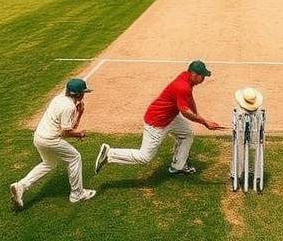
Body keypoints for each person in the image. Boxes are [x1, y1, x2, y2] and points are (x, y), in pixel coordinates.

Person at [94, 60, 223, 176]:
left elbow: (189, 99)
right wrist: (205, 122)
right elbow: (185, 112)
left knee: (187, 134)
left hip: (170, 117)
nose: (204, 79)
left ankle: (178, 166)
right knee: (144, 157)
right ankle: (109, 153)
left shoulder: (186, 77)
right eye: (203, 76)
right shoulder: (182, 86)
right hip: (157, 122)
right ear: (194, 74)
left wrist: (198, 114)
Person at [10, 78, 96, 209]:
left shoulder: (59, 98)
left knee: (48, 163)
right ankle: (77, 194)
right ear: (79, 94)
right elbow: (66, 132)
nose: (84, 94)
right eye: (83, 92)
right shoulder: (69, 107)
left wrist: (78, 112)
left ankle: (21, 185)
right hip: (50, 140)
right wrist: (79, 131)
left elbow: (66, 128)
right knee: (75, 157)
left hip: (39, 137)